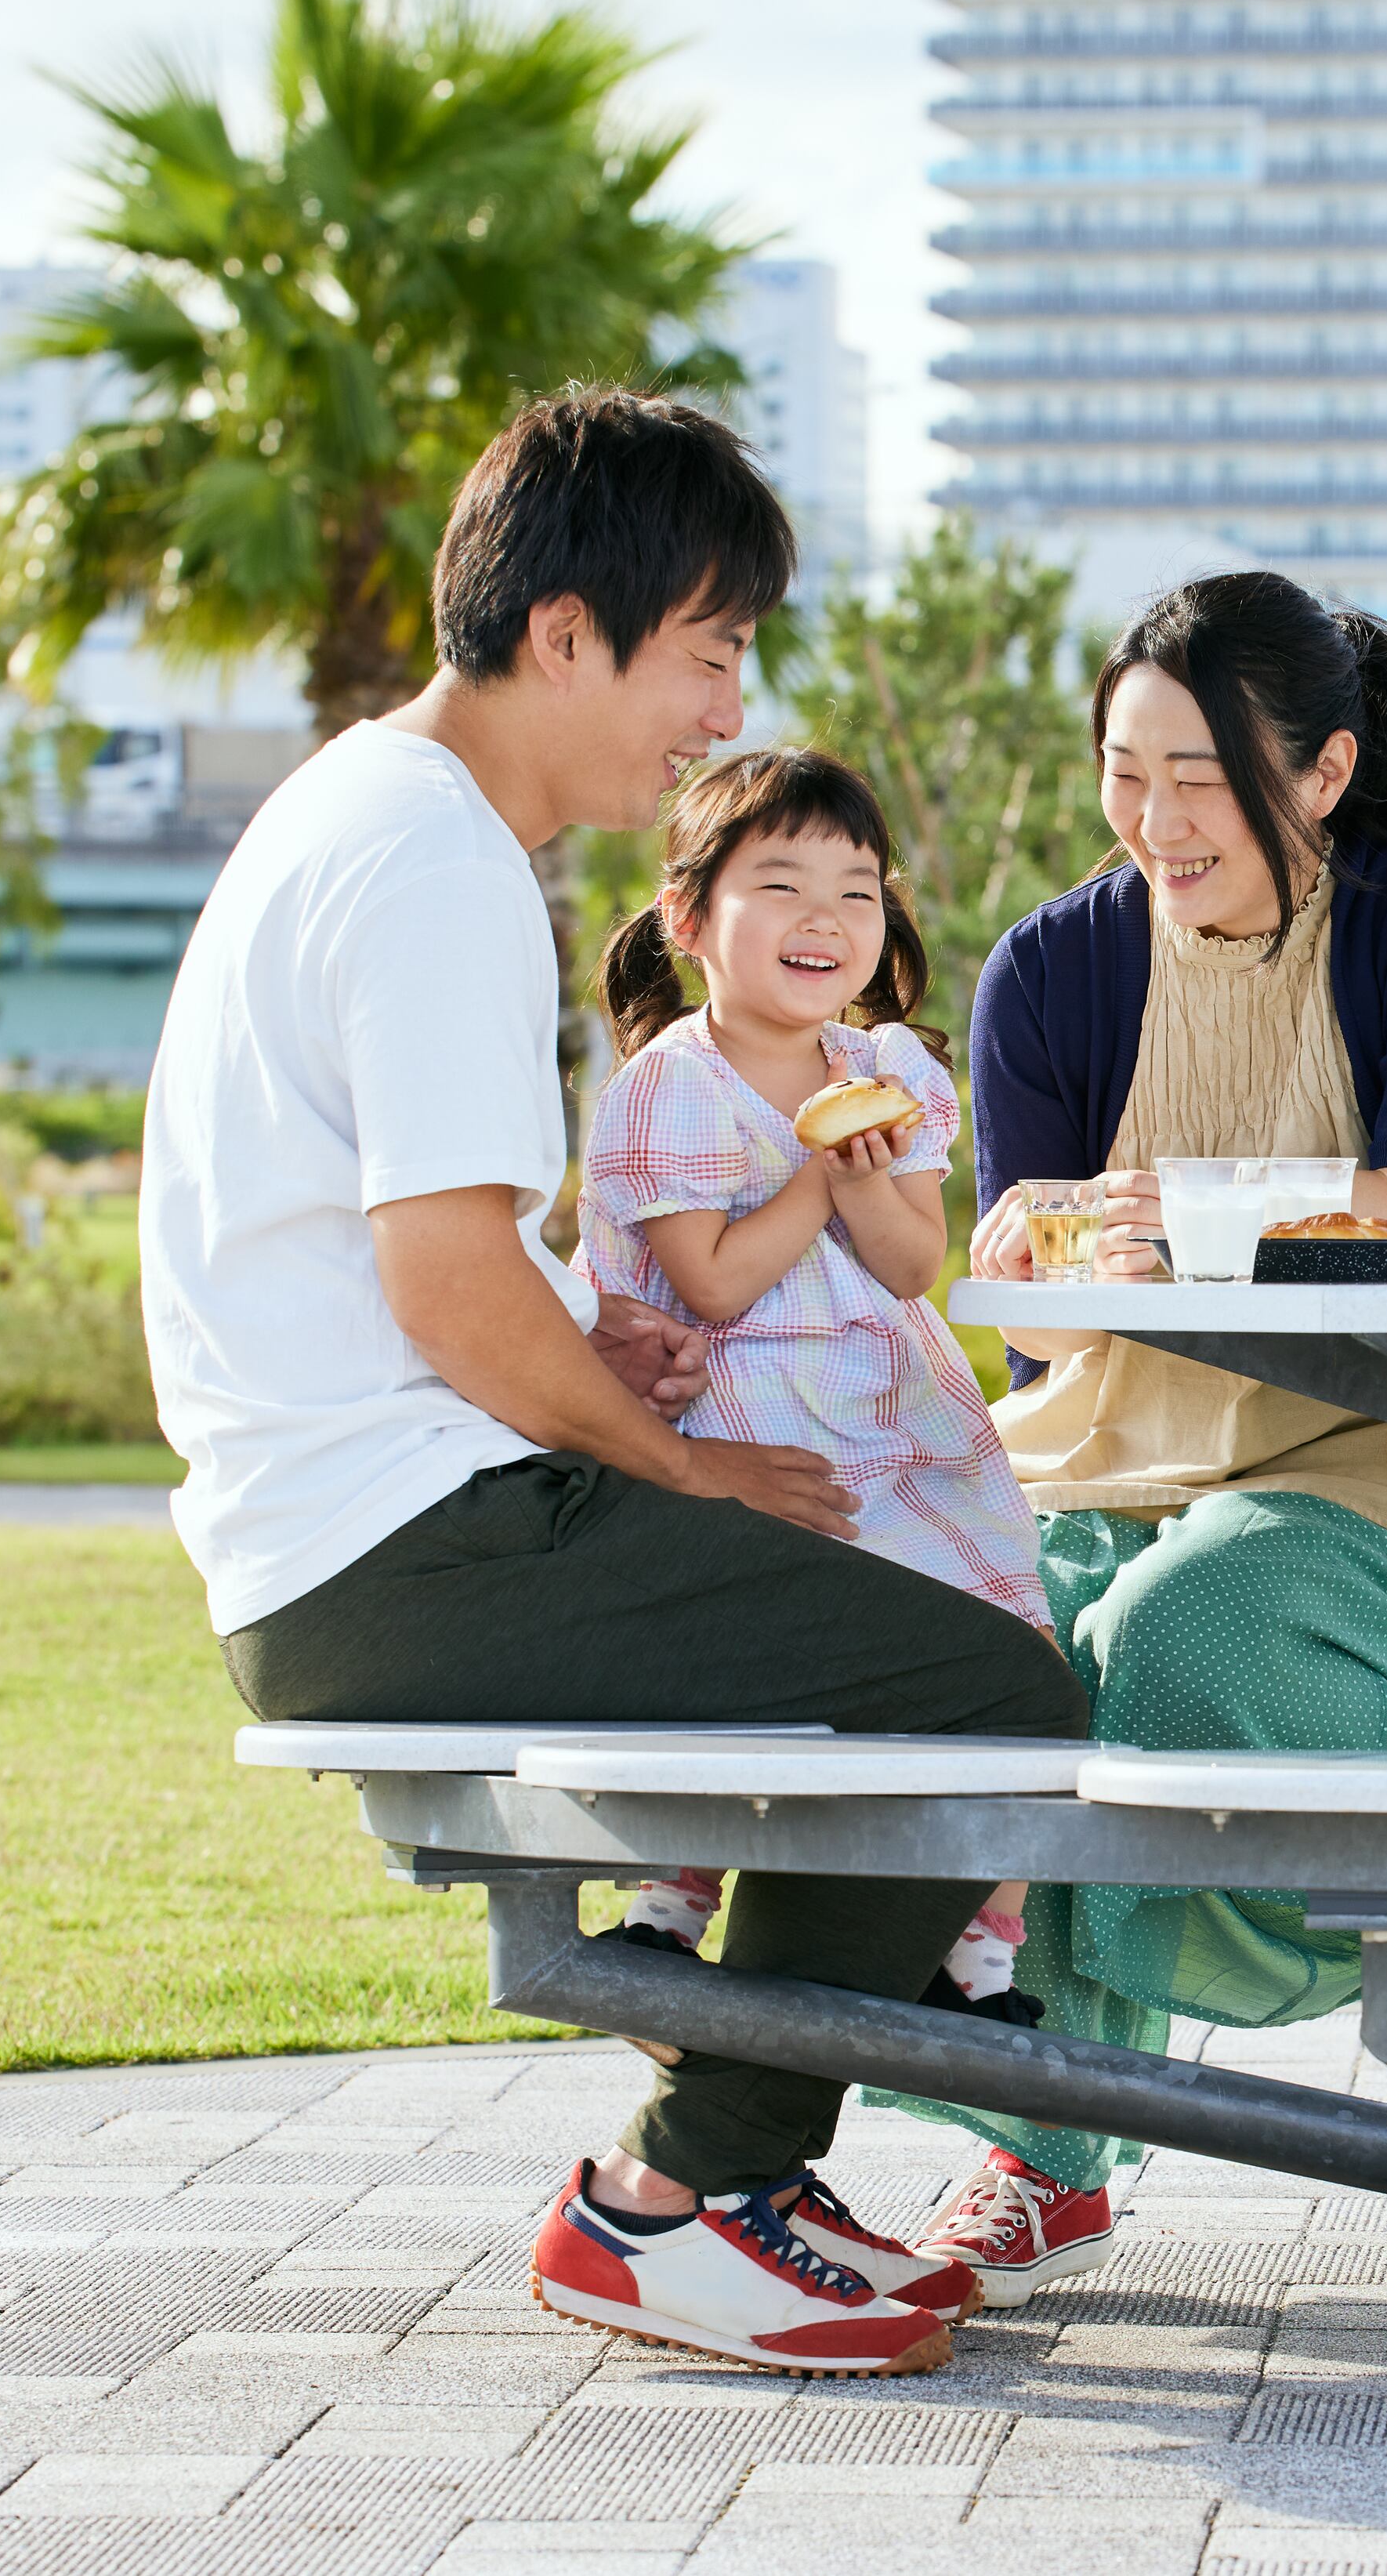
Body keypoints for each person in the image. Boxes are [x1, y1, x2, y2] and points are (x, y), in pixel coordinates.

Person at [137, 388, 1087, 2379]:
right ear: (567, 631)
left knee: (920, 1667)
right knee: (987, 1684)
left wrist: (597, 1337)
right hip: (398, 1545)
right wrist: (686, 1464)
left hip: (352, 1525)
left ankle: (747, 2164)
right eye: (709, 653)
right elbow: (444, 1275)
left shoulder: (360, 808)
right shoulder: (438, 862)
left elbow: (450, 1273)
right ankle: (679, 2199)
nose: (722, 715)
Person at [882, 569, 1387, 2306]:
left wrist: (1165, 1215)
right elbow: (1031, 1314)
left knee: (1183, 1635)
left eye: (1200, 776)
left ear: (1322, 773)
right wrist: (1026, 1254)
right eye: (1127, 771)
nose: (1156, 819)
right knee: (990, 1660)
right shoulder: (1054, 963)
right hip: (1112, 1442)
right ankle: (1046, 2148)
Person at [577, 746, 1049, 2016]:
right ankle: (670, 1903)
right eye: (781, 885)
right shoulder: (668, 1087)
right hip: (743, 1417)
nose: (826, 920)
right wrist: (817, 1167)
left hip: (892, 1410)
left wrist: (866, 1165)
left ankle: (977, 1952)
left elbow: (907, 1268)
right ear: (690, 919)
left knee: (1008, 1635)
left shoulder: (888, 1071)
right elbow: (718, 1286)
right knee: (757, 1672)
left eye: (856, 890)